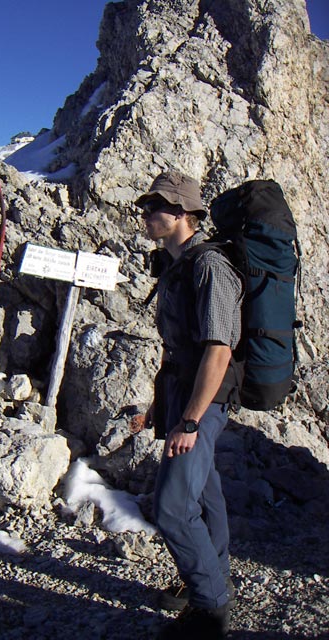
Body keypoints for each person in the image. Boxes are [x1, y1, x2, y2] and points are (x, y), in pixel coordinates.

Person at [135, 170, 243, 640]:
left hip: (205, 397)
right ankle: (210, 577)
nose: (145, 215)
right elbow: (180, 342)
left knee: (173, 506)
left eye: (154, 207)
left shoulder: (208, 267)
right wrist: (166, 405)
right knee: (203, 491)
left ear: (181, 214)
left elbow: (218, 349)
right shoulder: (177, 264)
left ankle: (210, 609)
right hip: (184, 391)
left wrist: (191, 419)